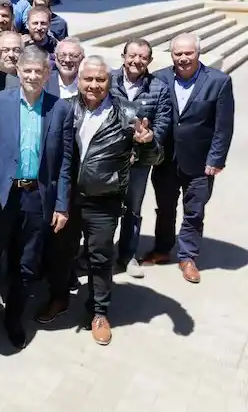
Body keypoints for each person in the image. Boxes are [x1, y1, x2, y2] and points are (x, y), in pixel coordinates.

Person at [37, 56, 161, 346]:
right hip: (67, 200)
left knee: (100, 258)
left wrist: (148, 143)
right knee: (61, 253)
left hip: (103, 201)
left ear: (110, 81)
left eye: (100, 80)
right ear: (78, 81)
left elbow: (154, 158)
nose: (93, 85)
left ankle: (99, 312)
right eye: (88, 79)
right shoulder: (64, 109)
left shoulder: (129, 113)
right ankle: (59, 299)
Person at [0, 46, 74, 349]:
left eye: (38, 72)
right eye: (26, 71)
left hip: (37, 199)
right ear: (18, 72)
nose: (31, 76)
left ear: (47, 74)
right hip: (1, 196)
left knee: (26, 265)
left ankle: (14, 318)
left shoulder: (60, 109)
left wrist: (62, 204)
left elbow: (65, 162)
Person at [146, 33, 234, 283]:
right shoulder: (160, 78)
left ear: (198, 52)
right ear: (171, 55)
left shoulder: (219, 81)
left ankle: (187, 257)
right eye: (178, 54)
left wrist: (216, 159)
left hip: (200, 162)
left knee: (194, 212)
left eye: (188, 53)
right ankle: (163, 249)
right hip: (165, 159)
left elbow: (223, 126)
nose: (183, 58)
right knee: (164, 209)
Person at [109, 38, 172, 278]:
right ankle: (97, 254)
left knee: (132, 209)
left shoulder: (158, 87)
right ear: (123, 56)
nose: (136, 61)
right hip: (109, 158)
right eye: (132, 55)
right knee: (102, 207)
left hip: (140, 160)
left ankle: (128, 255)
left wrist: (151, 136)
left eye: (143, 57)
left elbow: (164, 120)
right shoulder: (109, 80)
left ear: (150, 61)